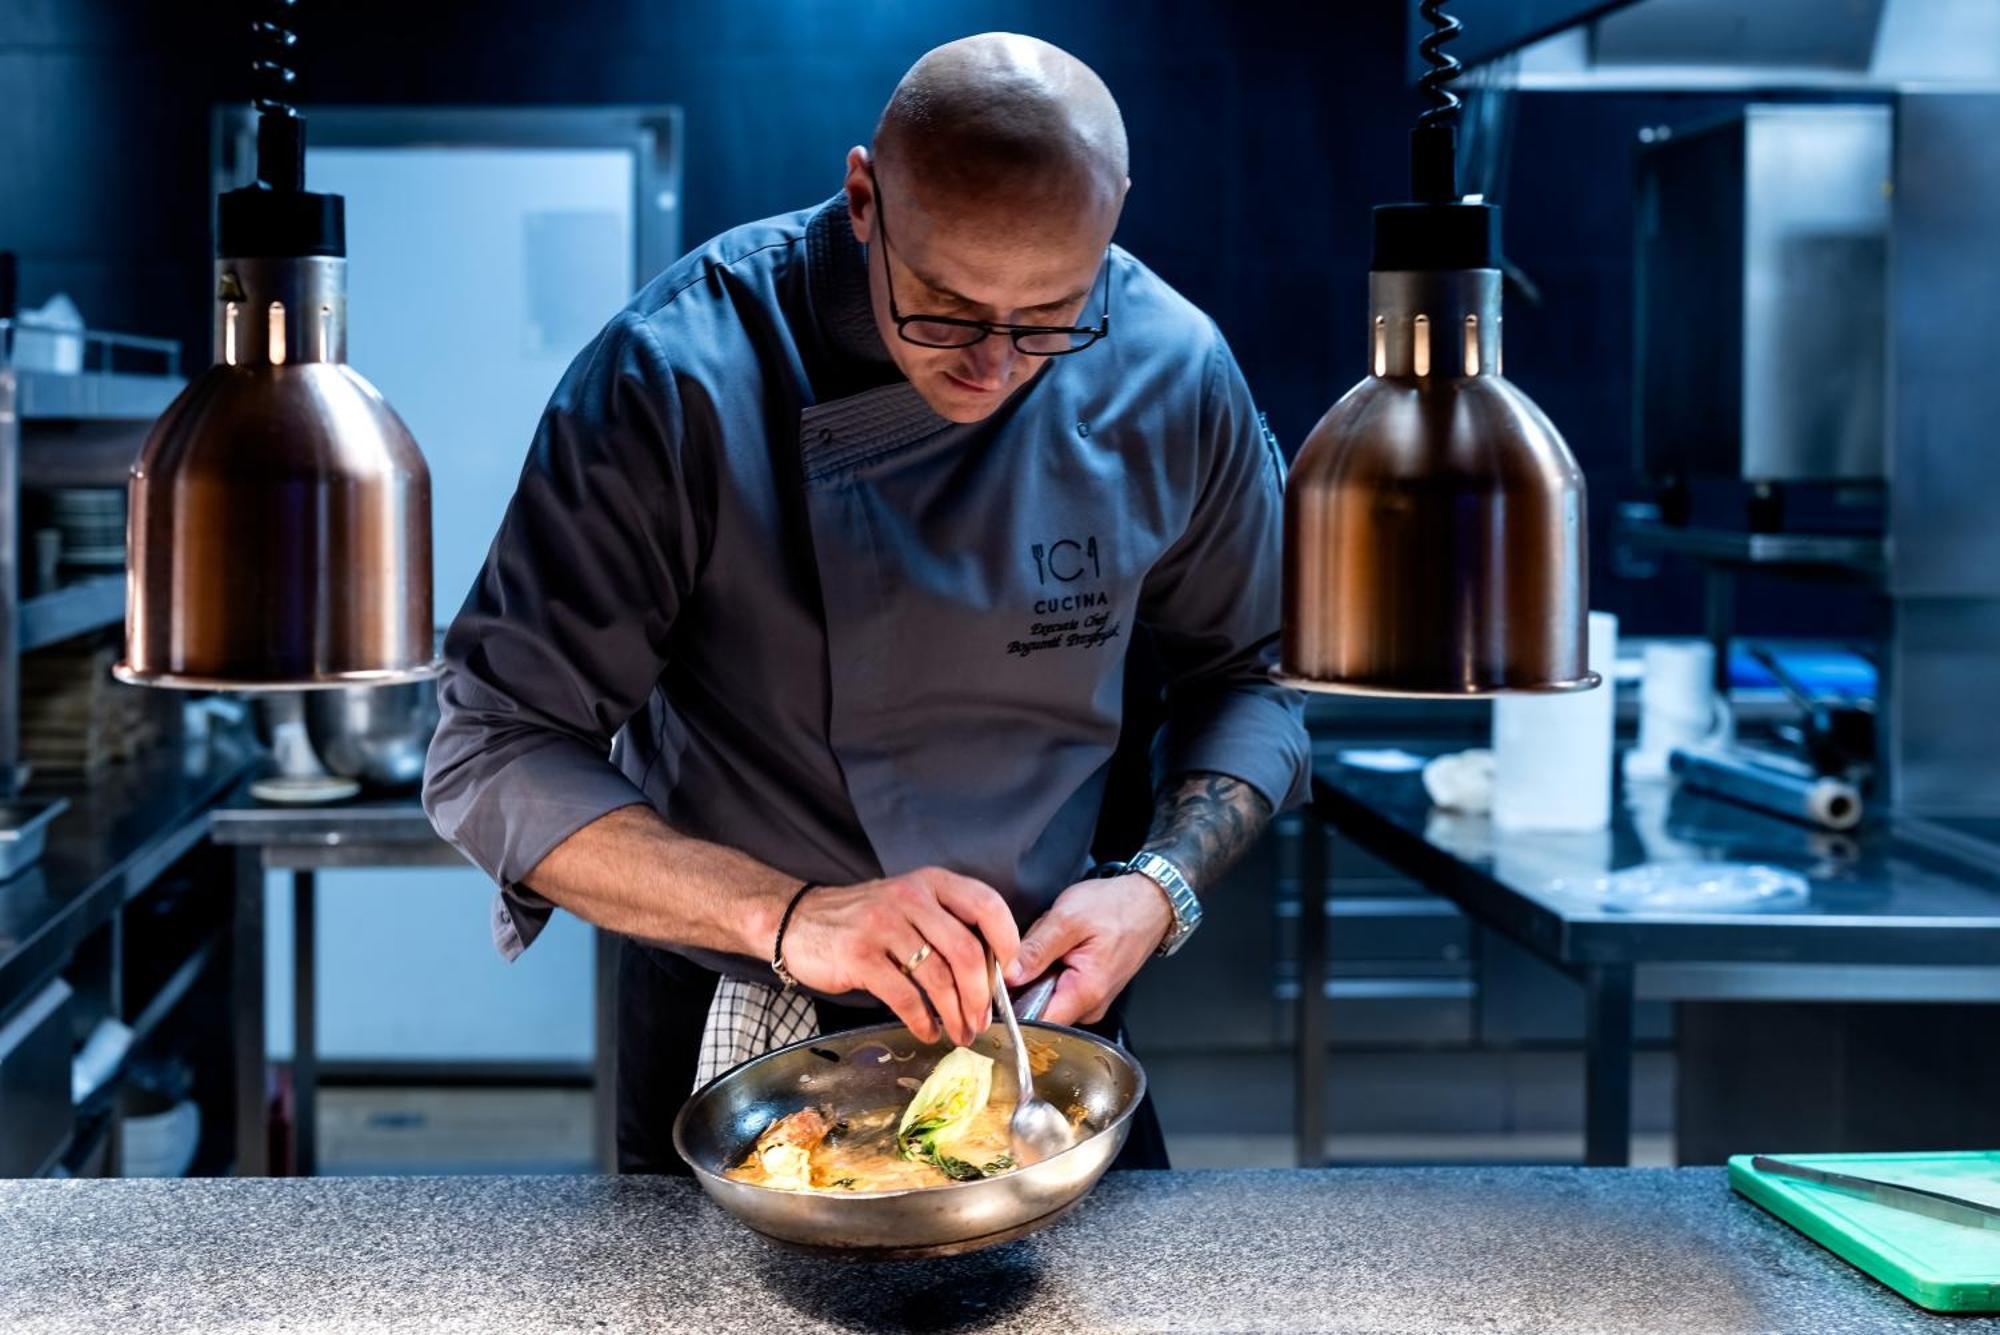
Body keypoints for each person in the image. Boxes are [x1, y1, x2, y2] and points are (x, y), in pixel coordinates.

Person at [422, 32, 1309, 1173]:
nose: (994, 366)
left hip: (1041, 1034)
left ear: (1112, 222)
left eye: (1048, 317)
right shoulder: (678, 376)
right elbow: (490, 751)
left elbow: (1253, 674)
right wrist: (790, 916)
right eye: (944, 310)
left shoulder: (1172, 371)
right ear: (861, 197)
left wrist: (1157, 889)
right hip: (735, 1023)